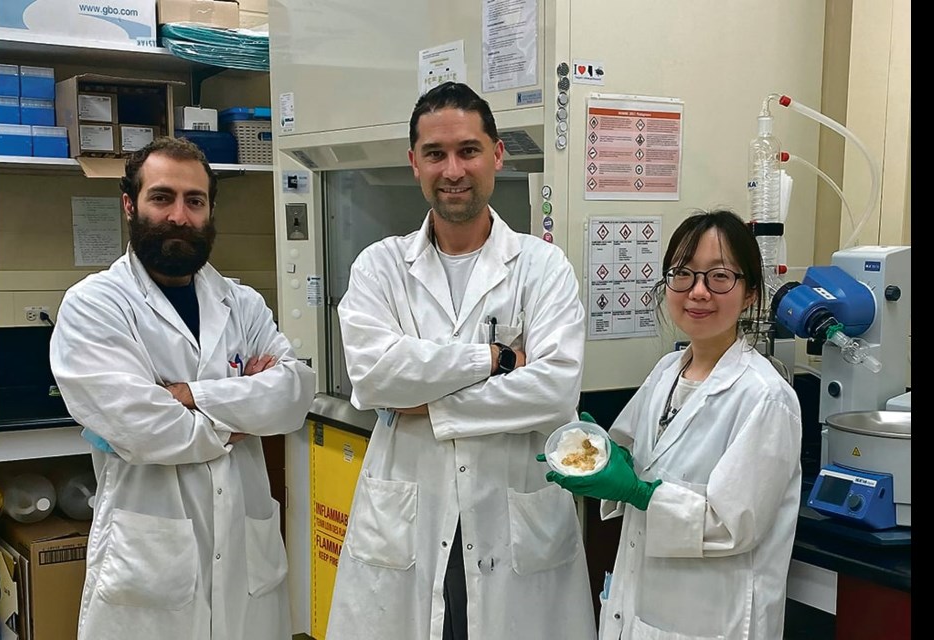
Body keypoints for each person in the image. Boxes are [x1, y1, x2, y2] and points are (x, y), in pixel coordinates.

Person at [326, 82, 597, 640]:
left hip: (513, 520)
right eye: (435, 154)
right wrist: (495, 359)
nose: (453, 169)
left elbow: (553, 391)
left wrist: (429, 404)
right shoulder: (380, 267)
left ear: (497, 154)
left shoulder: (543, 267)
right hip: (408, 518)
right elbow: (375, 376)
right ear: (414, 163)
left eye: (468, 150)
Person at [49, 136, 317, 640]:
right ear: (130, 204)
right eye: (162, 197)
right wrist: (244, 409)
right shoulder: (95, 305)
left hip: (245, 555)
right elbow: (144, 429)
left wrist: (192, 396)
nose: (179, 215)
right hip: (151, 562)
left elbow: (295, 396)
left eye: (194, 201)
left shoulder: (242, 303)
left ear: (210, 210)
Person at [544, 209, 803, 639]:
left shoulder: (765, 398)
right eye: (683, 274)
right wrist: (600, 454)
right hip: (642, 609)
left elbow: (732, 526)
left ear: (752, 293)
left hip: (715, 618)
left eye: (719, 277)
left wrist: (640, 493)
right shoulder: (667, 370)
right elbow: (631, 450)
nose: (698, 292)